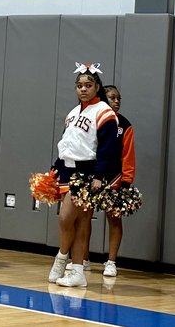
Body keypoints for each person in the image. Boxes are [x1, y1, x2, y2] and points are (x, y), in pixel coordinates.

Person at [47, 63, 120, 288]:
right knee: (79, 223)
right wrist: (55, 169)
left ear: (97, 86)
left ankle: (61, 258)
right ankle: (77, 270)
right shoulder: (72, 112)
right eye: (79, 86)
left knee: (65, 217)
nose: (83, 89)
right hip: (67, 169)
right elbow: (67, 143)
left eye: (88, 85)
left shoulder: (104, 112)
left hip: (87, 171)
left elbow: (109, 148)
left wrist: (99, 175)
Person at [102, 85, 134, 278]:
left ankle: (111, 262)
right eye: (112, 98)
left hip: (114, 177)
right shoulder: (95, 119)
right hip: (92, 175)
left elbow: (128, 155)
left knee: (114, 219)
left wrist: (126, 180)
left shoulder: (125, 125)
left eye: (118, 98)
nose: (116, 101)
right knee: (84, 218)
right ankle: (83, 259)